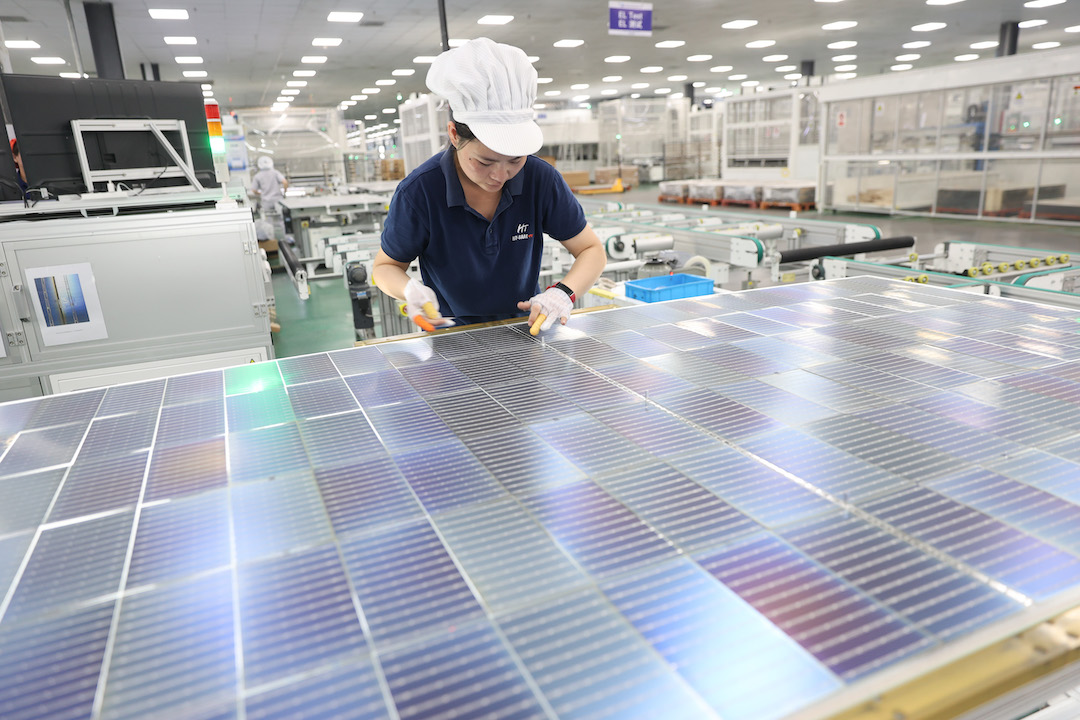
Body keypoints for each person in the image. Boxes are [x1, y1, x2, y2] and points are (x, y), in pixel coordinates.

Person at [372, 37, 606, 332]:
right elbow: (385, 267)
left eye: (515, 160)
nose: (501, 174)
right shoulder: (419, 191)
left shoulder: (540, 179)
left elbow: (591, 250)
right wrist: (409, 291)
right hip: (450, 333)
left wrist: (564, 292)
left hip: (526, 329)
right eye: (484, 162)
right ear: (454, 134)